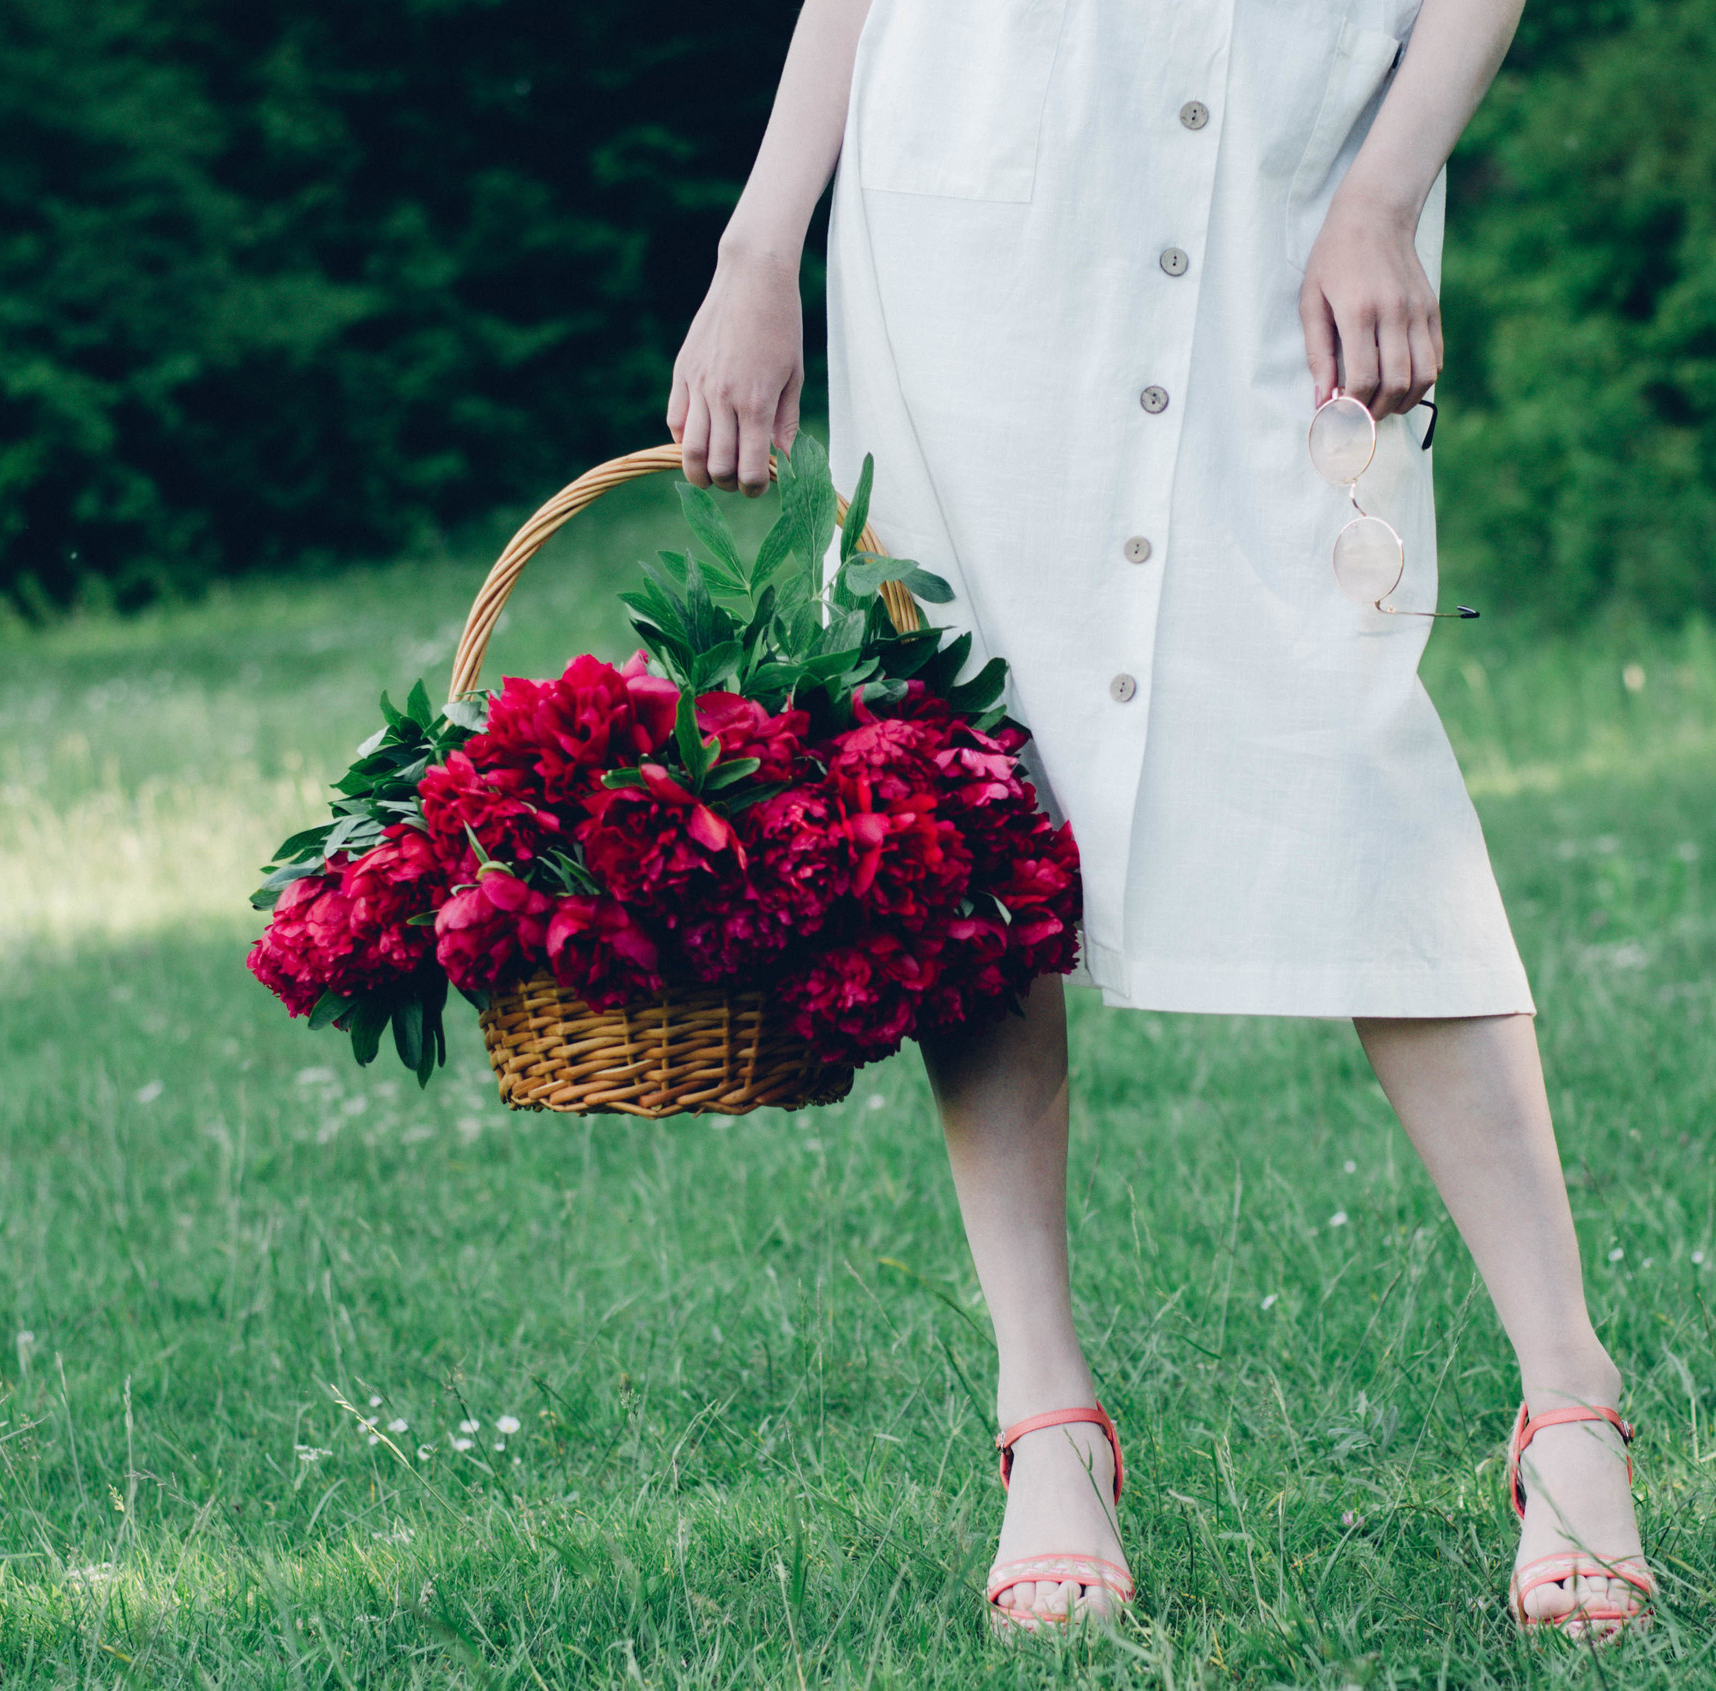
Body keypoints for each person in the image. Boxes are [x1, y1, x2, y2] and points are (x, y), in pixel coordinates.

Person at [665, 0, 1651, 1640]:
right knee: (965, 818)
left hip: (1294, 193)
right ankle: (1046, 1420)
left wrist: (1384, 194)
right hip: (974, 221)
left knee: (1355, 759)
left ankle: (1570, 1395)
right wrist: (756, 248)